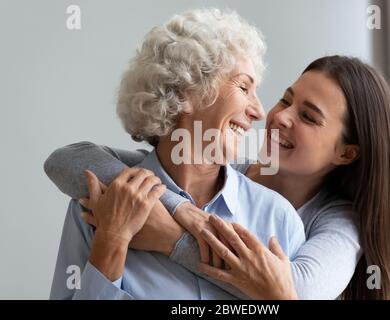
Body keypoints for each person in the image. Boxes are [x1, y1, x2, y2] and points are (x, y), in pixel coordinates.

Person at [46, 8, 306, 300]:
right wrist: (112, 241)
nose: (259, 111)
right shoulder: (100, 202)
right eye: (244, 87)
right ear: (186, 92)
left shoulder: (278, 219)